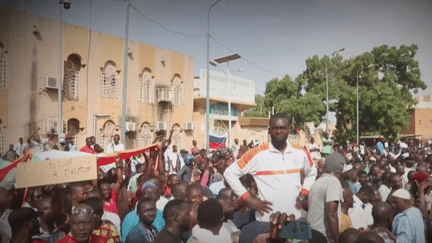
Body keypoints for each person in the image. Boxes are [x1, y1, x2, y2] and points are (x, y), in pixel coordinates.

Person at [224, 113, 317, 221]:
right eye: (275, 128)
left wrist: (303, 194)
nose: (279, 131)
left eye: (282, 128)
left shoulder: (301, 152)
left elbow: (312, 172)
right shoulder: (257, 153)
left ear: (289, 129)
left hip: (293, 220)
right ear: (269, 130)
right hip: (266, 222)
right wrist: (248, 199)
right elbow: (229, 173)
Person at [307, 153, 345, 242]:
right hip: (323, 236)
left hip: (311, 233)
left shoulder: (318, 181)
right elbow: (331, 214)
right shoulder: (333, 182)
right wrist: (337, 240)